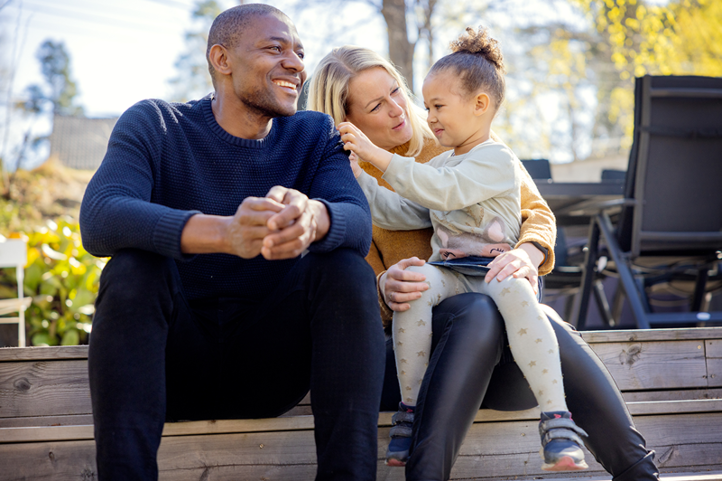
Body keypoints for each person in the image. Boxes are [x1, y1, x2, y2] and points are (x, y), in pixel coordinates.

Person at [308, 46, 660, 481]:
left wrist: (526, 254)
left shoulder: (457, 142)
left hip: (502, 352)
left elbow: (536, 213)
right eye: (377, 105)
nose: (400, 108)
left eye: (397, 91)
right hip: (414, 357)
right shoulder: (345, 181)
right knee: (479, 311)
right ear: (349, 124)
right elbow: (348, 290)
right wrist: (382, 287)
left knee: (530, 314)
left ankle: (634, 469)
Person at [79, 5, 385, 480]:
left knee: (345, 267)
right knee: (133, 266)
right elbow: (100, 217)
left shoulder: (314, 133)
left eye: (300, 53)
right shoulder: (156, 124)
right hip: (166, 371)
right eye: (274, 48)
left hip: (269, 370)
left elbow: (356, 221)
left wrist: (312, 218)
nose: (296, 64)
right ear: (222, 59)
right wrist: (224, 233)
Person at [338, 26, 588, 472]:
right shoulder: (439, 160)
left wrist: (529, 253)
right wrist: (358, 179)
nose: (423, 114)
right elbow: (400, 210)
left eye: (435, 106)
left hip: (493, 268)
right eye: (378, 105)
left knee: (520, 299)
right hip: (452, 271)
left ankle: (557, 418)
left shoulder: (495, 158)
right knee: (414, 284)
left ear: (479, 106)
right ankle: (410, 411)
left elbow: (444, 191)